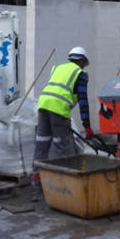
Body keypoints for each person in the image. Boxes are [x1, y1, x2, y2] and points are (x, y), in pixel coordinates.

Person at [32, 47, 93, 185]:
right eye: (85, 63)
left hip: (43, 105)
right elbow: (83, 100)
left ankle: (36, 178)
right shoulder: (80, 73)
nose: (84, 66)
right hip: (59, 109)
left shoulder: (58, 68)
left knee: (42, 142)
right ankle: (60, 182)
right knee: (62, 146)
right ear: (82, 60)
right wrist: (87, 125)